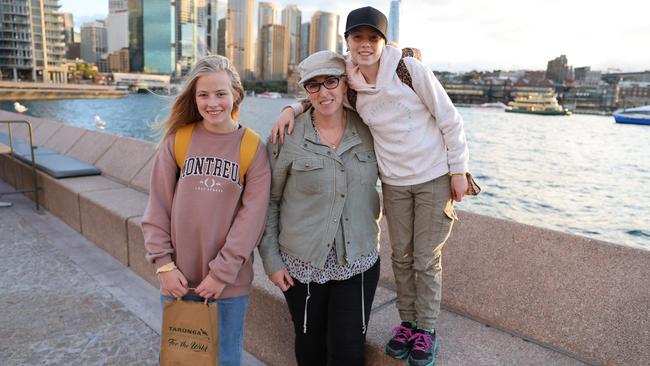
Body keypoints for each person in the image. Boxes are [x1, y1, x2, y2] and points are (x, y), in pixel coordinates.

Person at [270, 6, 470, 366]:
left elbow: (449, 118)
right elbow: (320, 91)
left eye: (372, 37)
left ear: (384, 40)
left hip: (432, 175)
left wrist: (459, 169)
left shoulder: (410, 71)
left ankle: (426, 329)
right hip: (394, 181)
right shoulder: (349, 76)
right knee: (402, 256)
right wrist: (292, 108)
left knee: (425, 258)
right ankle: (408, 323)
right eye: (357, 37)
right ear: (347, 42)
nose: (365, 44)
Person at [141, 55, 270, 366]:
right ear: (194, 97)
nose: (212, 103)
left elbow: (251, 220)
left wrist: (222, 273)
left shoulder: (252, 148)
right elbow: (157, 207)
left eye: (221, 94)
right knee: (180, 360)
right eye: (203, 94)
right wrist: (164, 266)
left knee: (225, 360)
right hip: (178, 281)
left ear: (236, 95)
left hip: (227, 285)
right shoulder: (179, 141)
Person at [259, 50, 381, 366]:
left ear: (345, 84)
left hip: (359, 262)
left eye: (331, 81)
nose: (324, 92)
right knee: (310, 345)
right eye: (313, 85)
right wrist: (271, 260)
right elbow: (267, 202)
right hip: (301, 265)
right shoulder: (286, 136)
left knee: (349, 350)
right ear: (305, 90)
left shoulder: (371, 129)